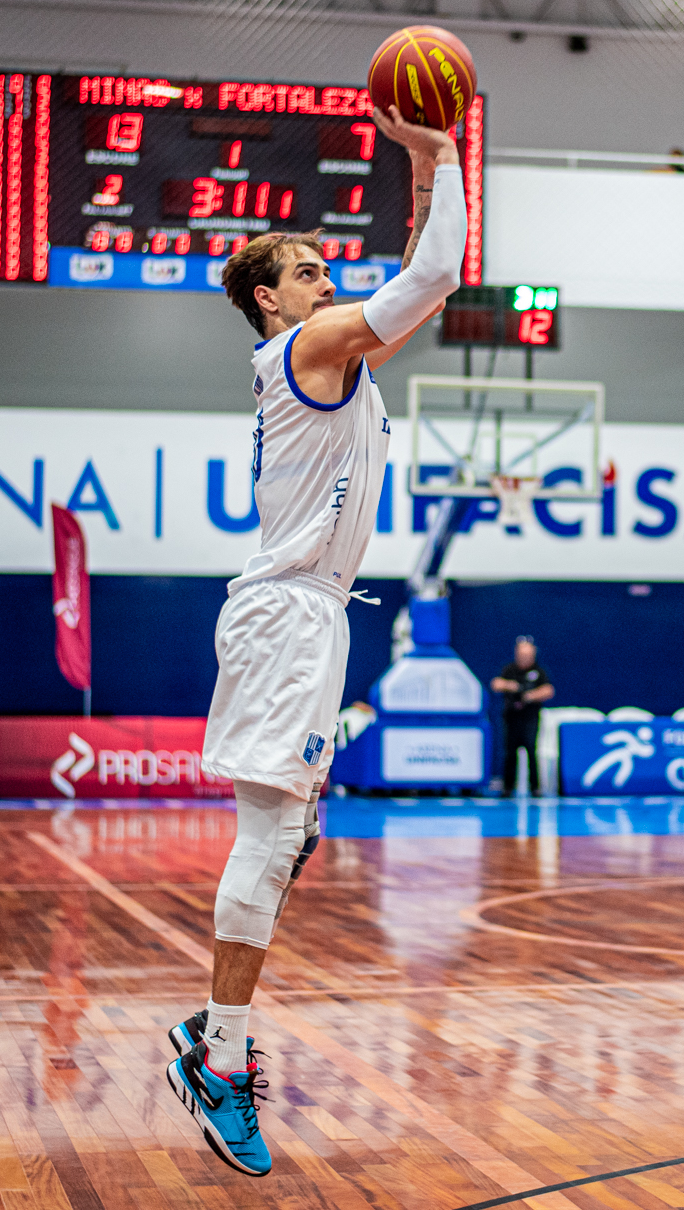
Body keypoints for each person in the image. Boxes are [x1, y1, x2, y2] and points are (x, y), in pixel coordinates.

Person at [161, 105, 466, 1179]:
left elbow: (415, 264)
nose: (323, 275)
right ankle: (220, 1056)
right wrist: (438, 152)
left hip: (314, 614)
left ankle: (211, 1032)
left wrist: (426, 171)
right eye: (303, 266)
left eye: (324, 265)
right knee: (268, 836)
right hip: (288, 611)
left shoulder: (329, 356)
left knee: (294, 841)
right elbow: (429, 282)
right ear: (265, 298)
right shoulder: (306, 346)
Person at [490, 637, 555, 795]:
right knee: (510, 752)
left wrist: (529, 696)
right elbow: (496, 684)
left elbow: (548, 690)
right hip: (511, 718)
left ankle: (535, 787)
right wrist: (511, 686)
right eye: (521, 654)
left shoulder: (539, 672)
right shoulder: (509, 670)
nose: (524, 658)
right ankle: (508, 787)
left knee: (531, 751)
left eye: (527, 655)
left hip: (530, 719)